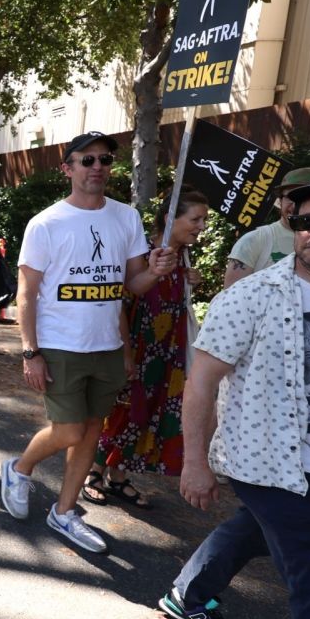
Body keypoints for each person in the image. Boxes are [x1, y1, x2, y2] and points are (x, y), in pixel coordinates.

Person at [174, 175, 310, 619]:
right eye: (307, 221)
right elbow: (201, 384)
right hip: (270, 466)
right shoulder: (251, 296)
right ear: (293, 223)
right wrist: (195, 461)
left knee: (255, 533)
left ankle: (187, 594)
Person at [0, 132, 177, 554]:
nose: (97, 166)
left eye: (104, 159)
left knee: (92, 430)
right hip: (60, 343)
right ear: (68, 169)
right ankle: (19, 467)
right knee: (69, 429)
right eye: (86, 160)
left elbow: (131, 283)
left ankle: (64, 512)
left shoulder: (126, 218)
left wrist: (156, 270)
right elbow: (27, 294)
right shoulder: (46, 223)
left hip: (107, 345)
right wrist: (31, 352)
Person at [85, 190, 210, 507]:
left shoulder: (182, 256)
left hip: (168, 353)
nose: (202, 226)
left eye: (204, 220)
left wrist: (189, 280)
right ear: (170, 219)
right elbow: (120, 305)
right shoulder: (143, 253)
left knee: (146, 413)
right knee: (122, 409)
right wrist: (125, 353)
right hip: (137, 349)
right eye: (195, 219)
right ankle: (93, 472)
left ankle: (119, 475)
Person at [223, 168, 310, 288]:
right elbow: (231, 295)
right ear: (280, 201)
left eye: (306, 198)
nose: (295, 205)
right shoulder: (255, 240)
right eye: (290, 197)